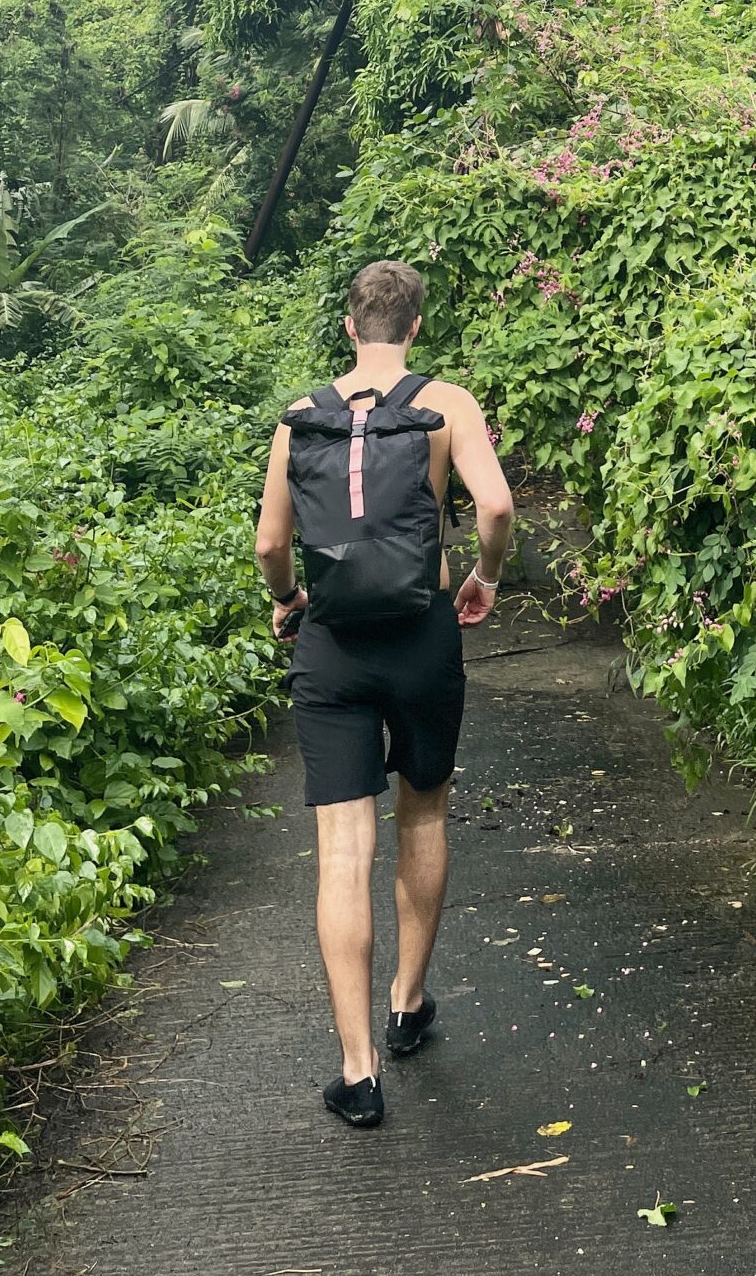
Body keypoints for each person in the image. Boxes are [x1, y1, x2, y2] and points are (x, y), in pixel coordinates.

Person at [254, 258, 514, 1127]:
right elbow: (499, 510)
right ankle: (407, 1005)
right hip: (422, 637)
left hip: (331, 647)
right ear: (414, 328)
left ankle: (358, 1072)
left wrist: (291, 601)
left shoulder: (300, 417)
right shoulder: (451, 404)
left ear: (347, 326)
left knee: (339, 850)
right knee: (426, 810)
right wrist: (481, 575)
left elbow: (268, 546)